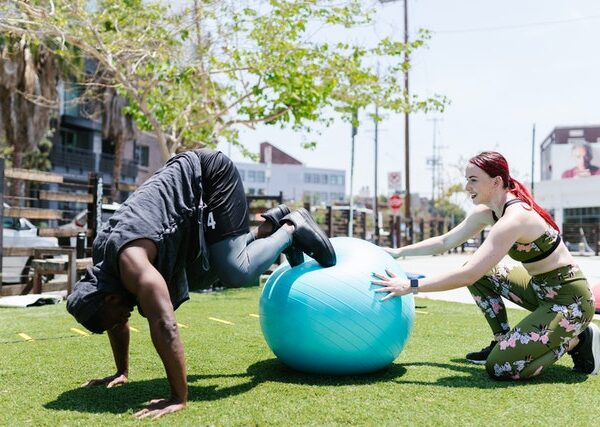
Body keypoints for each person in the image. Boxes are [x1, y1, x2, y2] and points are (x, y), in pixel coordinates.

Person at [66, 148, 336, 419]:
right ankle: (266, 232)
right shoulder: (105, 273)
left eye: (115, 319)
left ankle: (291, 228)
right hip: (187, 206)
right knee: (200, 276)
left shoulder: (132, 263)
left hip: (207, 176)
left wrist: (177, 397)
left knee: (235, 272)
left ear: (110, 299)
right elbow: (117, 322)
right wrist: (121, 372)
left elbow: (166, 325)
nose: (123, 320)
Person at [372, 151, 599, 380]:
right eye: (467, 179)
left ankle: (577, 340)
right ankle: (502, 340)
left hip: (571, 301)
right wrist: (399, 252)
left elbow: (468, 275)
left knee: (501, 367)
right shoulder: (488, 212)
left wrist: (411, 286)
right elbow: (445, 242)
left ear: (496, 181)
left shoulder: (515, 217)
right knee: (483, 272)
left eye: (473, 180)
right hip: (539, 289)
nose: (467, 186)